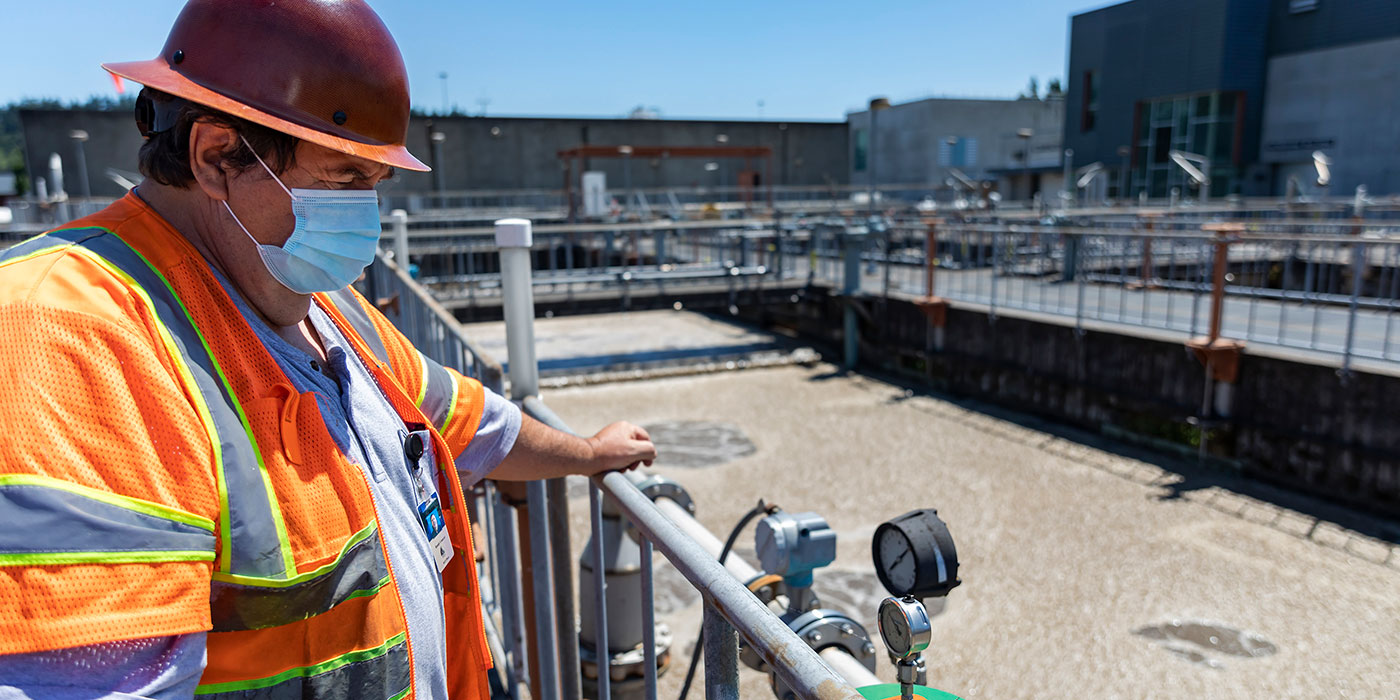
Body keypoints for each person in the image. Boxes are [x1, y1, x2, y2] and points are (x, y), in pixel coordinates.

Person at [0, 1, 656, 698]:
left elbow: (468, 421)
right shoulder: (64, 334)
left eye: (375, 184)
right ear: (218, 156)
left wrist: (586, 455)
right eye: (345, 179)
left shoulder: (323, 308)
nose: (364, 216)